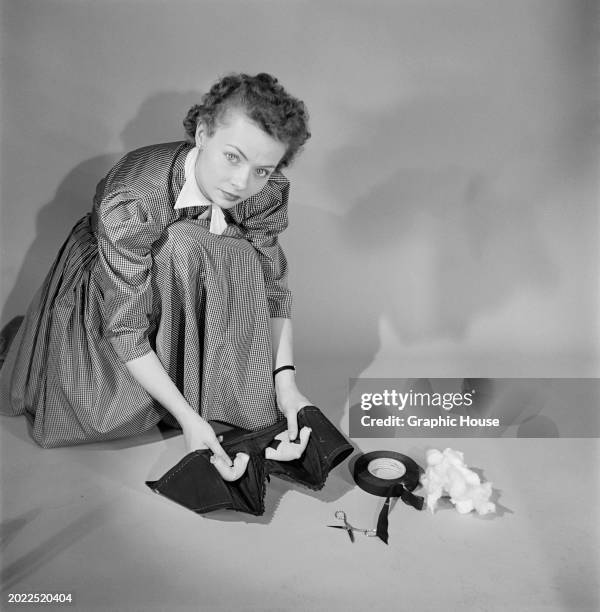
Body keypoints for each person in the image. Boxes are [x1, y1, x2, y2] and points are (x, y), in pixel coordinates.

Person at [0, 72, 313, 479]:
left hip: (185, 280)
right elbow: (126, 327)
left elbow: (272, 287)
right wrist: (187, 419)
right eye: (232, 157)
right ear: (202, 135)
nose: (242, 182)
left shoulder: (263, 191)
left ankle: (209, 383)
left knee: (238, 254)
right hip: (114, 293)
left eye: (263, 170)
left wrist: (285, 382)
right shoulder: (133, 196)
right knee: (180, 245)